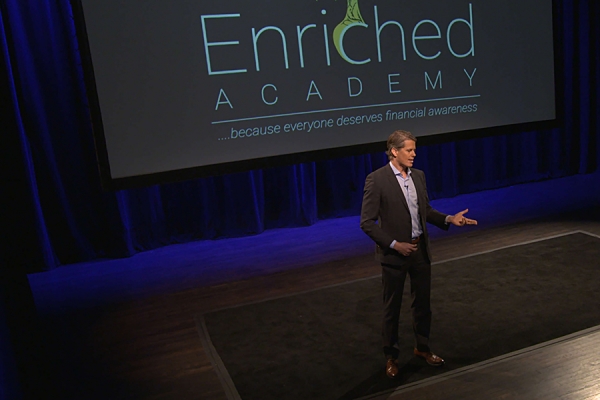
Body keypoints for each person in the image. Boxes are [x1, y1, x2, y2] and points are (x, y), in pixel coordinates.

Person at [360, 130, 477, 379]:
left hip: (420, 250)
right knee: (392, 309)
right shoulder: (377, 180)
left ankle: (422, 348)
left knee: (422, 305)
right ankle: (391, 357)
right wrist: (394, 244)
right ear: (394, 151)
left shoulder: (419, 177)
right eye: (409, 150)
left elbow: (425, 210)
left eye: (414, 150)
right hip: (394, 255)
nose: (414, 154)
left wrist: (448, 219)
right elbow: (367, 223)